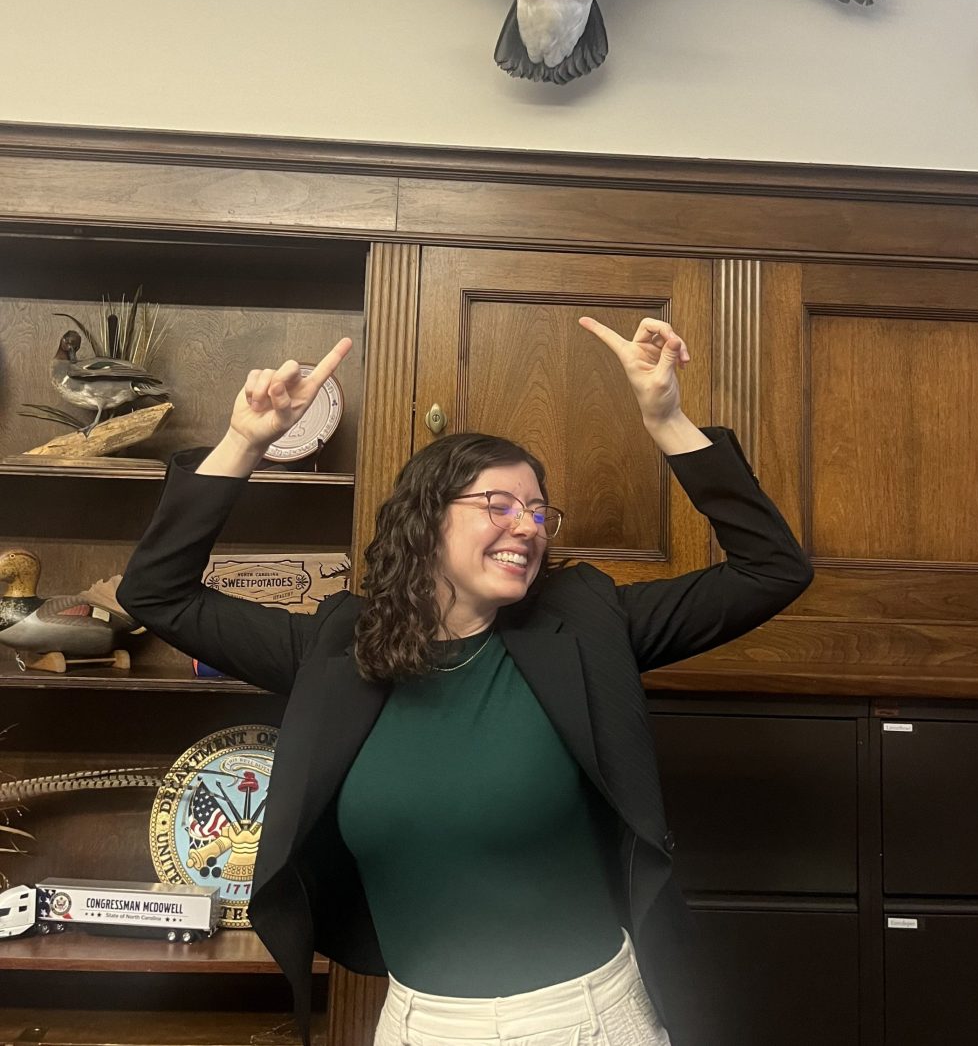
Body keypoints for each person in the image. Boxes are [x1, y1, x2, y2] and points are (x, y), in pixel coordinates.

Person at [117, 316, 813, 1046]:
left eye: (540, 511)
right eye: (500, 505)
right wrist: (244, 442)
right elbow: (159, 593)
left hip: (587, 1020)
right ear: (427, 521)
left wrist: (667, 418)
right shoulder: (336, 647)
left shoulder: (587, 627)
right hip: (419, 1024)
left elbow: (773, 569)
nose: (530, 525)